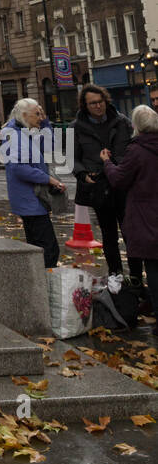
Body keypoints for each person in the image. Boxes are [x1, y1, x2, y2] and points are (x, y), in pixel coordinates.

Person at [73, 85, 138, 284]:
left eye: (101, 102)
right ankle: (115, 274)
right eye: (93, 103)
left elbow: (134, 148)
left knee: (131, 232)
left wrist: (122, 165)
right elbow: (72, 158)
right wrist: (83, 174)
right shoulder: (76, 127)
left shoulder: (122, 122)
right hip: (98, 187)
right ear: (85, 105)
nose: (98, 106)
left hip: (123, 184)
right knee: (108, 234)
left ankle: (135, 276)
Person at [105, 105, 158, 338]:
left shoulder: (136, 150)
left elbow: (119, 179)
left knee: (153, 268)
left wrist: (107, 162)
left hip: (147, 215)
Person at [2, 98, 65, 267]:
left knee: (39, 248)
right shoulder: (13, 134)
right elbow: (19, 168)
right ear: (24, 115)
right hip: (29, 199)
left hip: (33, 198)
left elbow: (50, 145)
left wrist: (45, 123)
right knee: (49, 250)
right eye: (36, 114)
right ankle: (43, 286)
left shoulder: (25, 130)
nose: (40, 116)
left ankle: (39, 285)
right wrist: (48, 179)